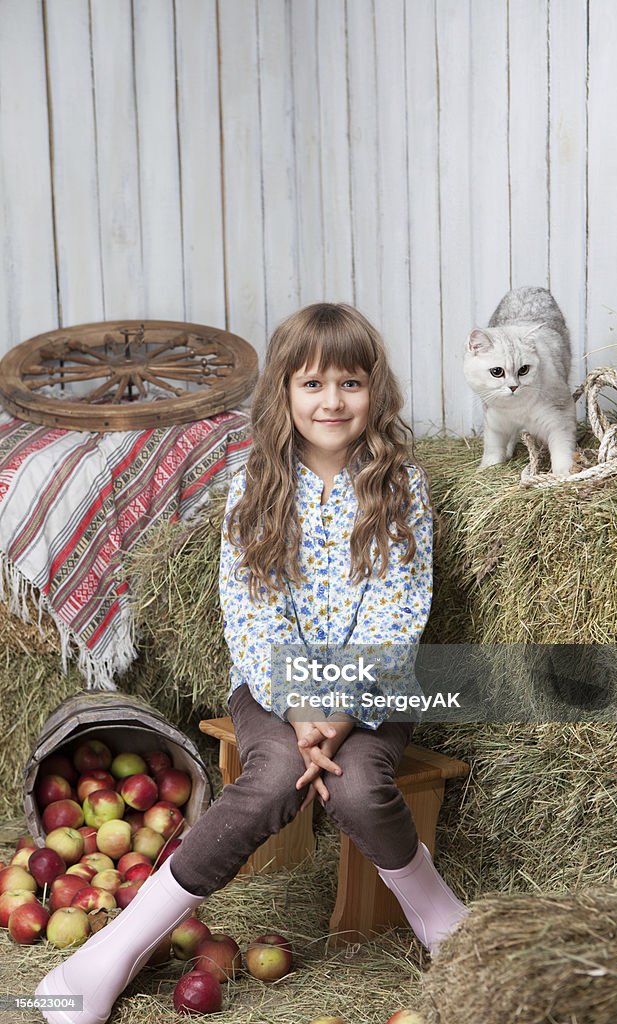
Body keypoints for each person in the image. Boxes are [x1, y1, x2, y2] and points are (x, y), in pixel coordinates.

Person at [36, 303, 469, 1024]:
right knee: (273, 781)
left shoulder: (401, 486)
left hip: (371, 695)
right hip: (274, 695)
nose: (332, 401)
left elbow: (397, 611)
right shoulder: (256, 486)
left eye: (351, 383)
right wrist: (302, 705)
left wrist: (337, 708)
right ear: (285, 394)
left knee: (359, 790)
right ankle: (112, 950)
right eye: (312, 383)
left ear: (376, 391)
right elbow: (252, 611)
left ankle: (438, 917)